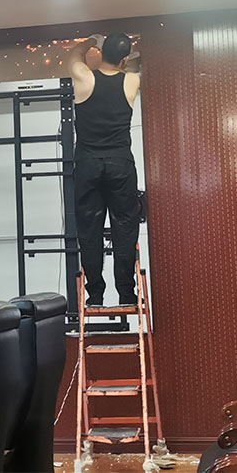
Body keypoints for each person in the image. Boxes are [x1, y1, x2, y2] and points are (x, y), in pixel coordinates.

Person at [66, 32, 141, 306]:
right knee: (124, 228)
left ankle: (95, 295)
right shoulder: (131, 81)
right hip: (120, 164)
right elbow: (132, 65)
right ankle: (126, 293)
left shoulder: (84, 78)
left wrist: (90, 43)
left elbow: (73, 57)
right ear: (124, 59)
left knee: (90, 230)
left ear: (101, 53)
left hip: (88, 164)